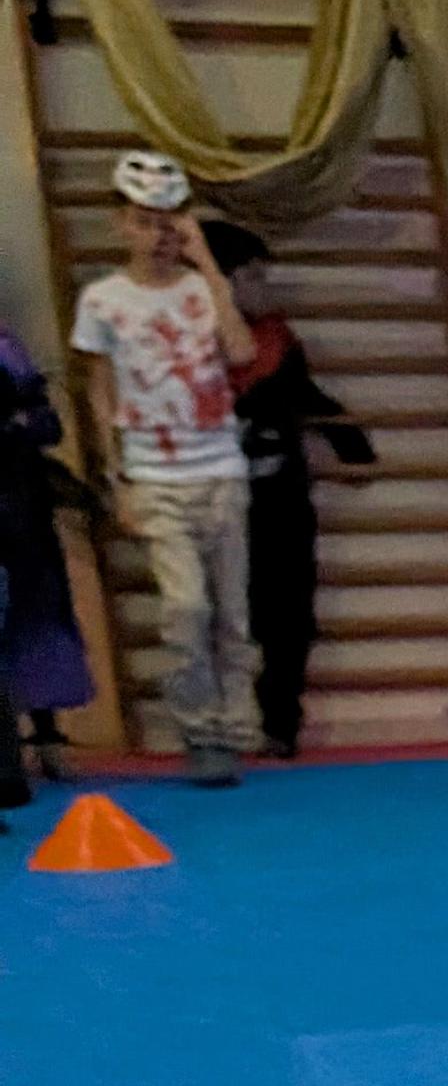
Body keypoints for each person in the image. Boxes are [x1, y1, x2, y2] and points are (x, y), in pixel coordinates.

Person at [71, 150, 261, 785]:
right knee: (186, 608)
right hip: (156, 477)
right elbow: (100, 391)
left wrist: (208, 266)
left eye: (169, 222)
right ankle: (200, 731)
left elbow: (241, 351)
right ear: (121, 224)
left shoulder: (203, 290)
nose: (158, 236)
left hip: (221, 470)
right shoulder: (103, 300)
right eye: (144, 222)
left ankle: (235, 725)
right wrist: (116, 477)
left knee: (232, 612)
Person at [204, 221, 375, 760]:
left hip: (280, 497)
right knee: (226, 614)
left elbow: (306, 395)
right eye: (254, 277)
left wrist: (350, 442)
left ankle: (280, 723)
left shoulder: (277, 338)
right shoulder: (188, 345)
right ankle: (222, 724)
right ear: (220, 282)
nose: (266, 288)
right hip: (218, 500)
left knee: (291, 614)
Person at [0, 314, 101, 812]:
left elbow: (46, 425)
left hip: (21, 506)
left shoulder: (8, 349)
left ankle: (47, 734)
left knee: (38, 616)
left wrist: (18, 425)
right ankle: (9, 757)